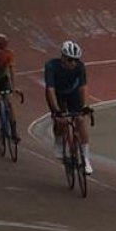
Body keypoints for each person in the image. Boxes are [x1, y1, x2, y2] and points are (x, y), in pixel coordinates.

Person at [44, 40, 93, 175]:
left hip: (73, 94)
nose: (73, 63)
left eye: (76, 60)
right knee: (61, 121)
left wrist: (85, 106)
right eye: (70, 60)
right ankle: (59, 142)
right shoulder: (51, 66)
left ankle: (86, 159)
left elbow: (83, 87)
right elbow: (50, 89)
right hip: (57, 95)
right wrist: (57, 111)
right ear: (63, 58)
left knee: (80, 120)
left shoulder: (80, 67)